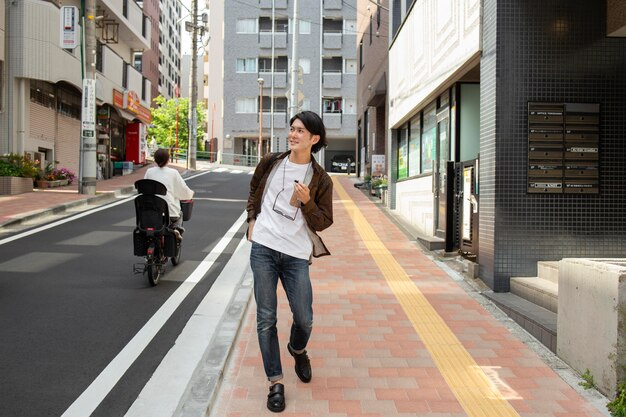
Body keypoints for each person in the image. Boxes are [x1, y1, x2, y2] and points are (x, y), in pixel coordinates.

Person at [246, 111, 333, 413]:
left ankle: (297, 349)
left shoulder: (320, 179)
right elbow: (254, 190)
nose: (293, 134)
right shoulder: (271, 162)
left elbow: (324, 222)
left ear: (314, 139)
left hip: (296, 255)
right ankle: (275, 383)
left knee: (304, 317)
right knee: (266, 317)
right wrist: (251, 219)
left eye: (300, 131)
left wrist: (308, 202)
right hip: (264, 248)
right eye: (292, 129)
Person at [144, 148, 194, 238]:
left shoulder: (149, 172)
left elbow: (144, 190)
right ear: (168, 159)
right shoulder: (173, 173)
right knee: (179, 214)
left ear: (154, 159)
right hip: (170, 214)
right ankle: (176, 228)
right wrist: (190, 194)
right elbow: (183, 191)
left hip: (151, 213)